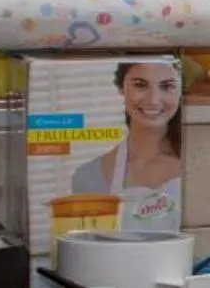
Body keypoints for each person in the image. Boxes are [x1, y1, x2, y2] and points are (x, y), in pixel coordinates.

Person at [69, 59, 184, 232]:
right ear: (121, 88)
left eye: (167, 86)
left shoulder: (205, 164)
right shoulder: (88, 178)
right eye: (140, 85)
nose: (153, 100)